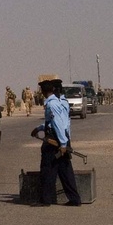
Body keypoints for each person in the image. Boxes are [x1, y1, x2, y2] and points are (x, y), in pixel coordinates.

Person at [30, 78, 81, 207]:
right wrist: (40, 128)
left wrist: (63, 144)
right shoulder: (61, 102)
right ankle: (75, 199)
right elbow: (61, 123)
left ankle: (45, 200)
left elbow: (57, 123)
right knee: (65, 171)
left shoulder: (52, 104)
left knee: (47, 169)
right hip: (62, 138)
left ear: (42, 91)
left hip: (54, 141)